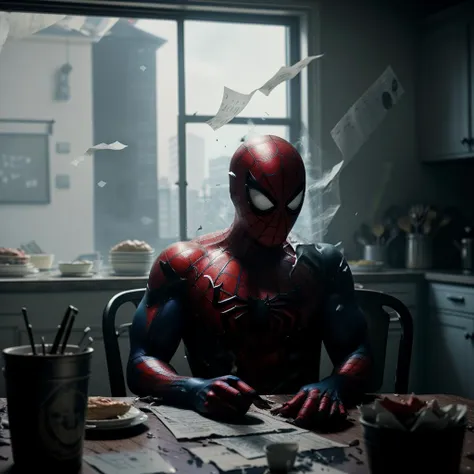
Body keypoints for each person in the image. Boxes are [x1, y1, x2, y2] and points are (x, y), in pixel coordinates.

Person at [127, 135, 372, 427]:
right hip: (214, 422)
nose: (280, 219)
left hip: (301, 419)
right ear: (236, 190)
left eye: (293, 202)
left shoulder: (322, 264)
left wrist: (336, 386)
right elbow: (141, 363)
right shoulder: (185, 264)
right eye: (263, 201)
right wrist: (192, 389)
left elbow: (360, 352)